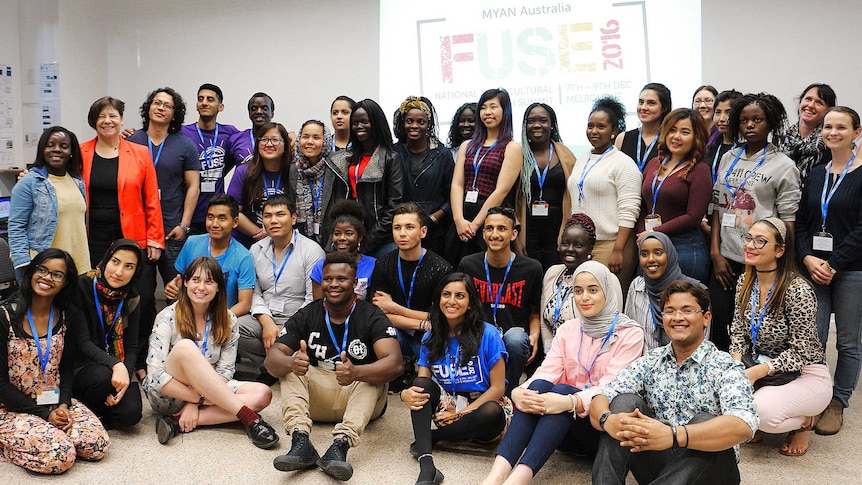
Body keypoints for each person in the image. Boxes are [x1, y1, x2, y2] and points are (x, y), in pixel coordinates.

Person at [483, 261, 643, 485]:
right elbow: (547, 370)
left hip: (599, 429)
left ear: (608, 291)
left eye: (593, 290)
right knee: (537, 388)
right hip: (559, 428)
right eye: (578, 291)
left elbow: (612, 387)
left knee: (562, 390)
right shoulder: (569, 328)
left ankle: (518, 480)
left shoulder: (630, 333)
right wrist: (519, 392)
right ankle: (495, 477)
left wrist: (569, 401)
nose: (584, 297)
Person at [590, 281, 758, 485]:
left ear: (706, 318)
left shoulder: (725, 366)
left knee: (705, 420)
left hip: (712, 474)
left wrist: (674, 436)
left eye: (687, 311)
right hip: (661, 465)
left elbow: (744, 424)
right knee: (622, 403)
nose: (677, 318)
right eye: (670, 311)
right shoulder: (651, 361)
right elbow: (601, 397)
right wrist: (608, 420)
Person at [266, 252, 402, 481]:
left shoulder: (371, 315)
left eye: (341, 279)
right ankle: (301, 442)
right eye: (328, 279)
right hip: (318, 396)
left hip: (358, 396)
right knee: (291, 370)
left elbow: (395, 363)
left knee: (373, 375)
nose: (334, 284)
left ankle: (340, 446)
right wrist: (291, 362)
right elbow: (272, 360)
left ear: (355, 283)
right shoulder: (308, 313)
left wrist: (357, 371)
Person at [142, 256, 279, 448]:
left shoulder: (228, 319)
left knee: (262, 393)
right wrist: (196, 398)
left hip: (209, 392)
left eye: (209, 281)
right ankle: (248, 417)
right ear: (186, 283)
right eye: (195, 280)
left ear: (218, 288)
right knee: (186, 347)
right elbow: (155, 377)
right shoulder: (167, 316)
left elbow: (225, 372)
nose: (201, 287)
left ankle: (176, 422)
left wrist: (195, 404)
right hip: (170, 394)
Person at [0, 249, 109, 474]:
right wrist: (44, 416)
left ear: (65, 282)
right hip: (9, 407)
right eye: (42, 270)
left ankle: (46, 434)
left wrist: (63, 405)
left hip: (51, 400)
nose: (47, 277)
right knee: (61, 456)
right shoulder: (4, 316)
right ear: (32, 272)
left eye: (57, 275)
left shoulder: (68, 314)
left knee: (96, 445)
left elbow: (65, 367)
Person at [730, 218, 831, 456]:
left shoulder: (798, 290)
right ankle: (760, 417)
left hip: (805, 373)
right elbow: (737, 331)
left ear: (779, 250)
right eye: (749, 238)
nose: (750, 245)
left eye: (760, 241)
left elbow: (800, 353)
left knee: (760, 413)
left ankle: (806, 421)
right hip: (759, 366)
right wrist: (735, 367)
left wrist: (754, 374)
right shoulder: (745, 281)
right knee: (718, 396)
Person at [709, 92, 801, 351]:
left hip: (761, 261)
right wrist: (715, 252)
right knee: (720, 322)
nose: (749, 125)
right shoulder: (729, 157)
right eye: (744, 120)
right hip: (725, 259)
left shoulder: (783, 166)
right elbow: (718, 206)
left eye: (757, 120)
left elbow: (788, 222)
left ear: (770, 123)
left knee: (755, 326)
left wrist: (783, 264)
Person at [403, 273, 510, 485]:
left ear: (470, 303)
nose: (452, 301)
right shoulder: (430, 336)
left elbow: (497, 388)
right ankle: (427, 466)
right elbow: (422, 382)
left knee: (492, 412)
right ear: (438, 300)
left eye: (460, 295)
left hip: (483, 406)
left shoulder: (488, 334)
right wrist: (407, 394)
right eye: (446, 295)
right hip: (449, 404)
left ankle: (436, 437)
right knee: (420, 386)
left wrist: (465, 412)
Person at [127, 87, 201, 384]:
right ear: (148, 108)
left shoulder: (184, 145)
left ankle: (181, 358)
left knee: (180, 296)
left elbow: (193, 187)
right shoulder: (132, 140)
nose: (160, 108)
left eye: (167, 105)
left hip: (173, 231)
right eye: (156, 103)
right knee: (142, 300)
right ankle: (142, 358)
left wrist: (184, 225)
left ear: (175, 113)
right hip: (139, 234)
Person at [796, 106, 862, 436]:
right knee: (814, 338)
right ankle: (815, 397)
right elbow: (804, 222)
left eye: (841, 127)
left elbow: (861, 230)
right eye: (828, 127)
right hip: (815, 268)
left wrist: (834, 264)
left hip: (852, 271)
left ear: (856, 133)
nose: (832, 132)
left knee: (848, 343)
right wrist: (807, 257)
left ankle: (838, 401)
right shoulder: (818, 174)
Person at [457, 207, 543, 395]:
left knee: (516, 339)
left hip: (513, 337)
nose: (495, 234)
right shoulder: (468, 264)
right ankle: (479, 390)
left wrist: (535, 335)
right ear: (483, 233)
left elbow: (534, 311)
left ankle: (507, 394)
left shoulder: (532, 268)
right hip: (479, 335)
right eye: (489, 228)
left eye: (501, 229)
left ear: (513, 234)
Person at [239, 194, 323, 382]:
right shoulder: (256, 250)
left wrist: (289, 327)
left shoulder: (312, 251)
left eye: (280, 214)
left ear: (293, 218)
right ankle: (273, 367)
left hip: (300, 320)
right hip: (266, 317)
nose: (273, 221)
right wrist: (266, 322)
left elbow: (313, 300)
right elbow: (254, 291)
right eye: (268, 216)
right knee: (232, 327)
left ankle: (279, 367)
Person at [370, 202, 453, 390]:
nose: (402, 233)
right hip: (401, 331)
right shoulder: (383, 265)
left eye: (409, 227)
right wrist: (420, 323)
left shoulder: (440, 268)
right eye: (397, 227)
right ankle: (401, 367)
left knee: (440, 387)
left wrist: (396, 309)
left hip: (431, 335)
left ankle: (422, 369)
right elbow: (378, 314)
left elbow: (443, 318)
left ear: (423, 232)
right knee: (380, 329)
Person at [80, 96, 164, 269]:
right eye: (101, 116)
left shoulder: (140, 153)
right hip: (91, 236)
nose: (107, 121)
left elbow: (152, 199)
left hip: (130, 235)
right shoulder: (81, 152)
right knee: (93, 288)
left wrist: (155, 239)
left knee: (134, 291)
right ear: (94, 121)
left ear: (122, 119)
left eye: (113, 116)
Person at [568, 96, 641, 292]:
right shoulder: (582, 159)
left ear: (614, 131)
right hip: (582, 245)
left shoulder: (623, 163)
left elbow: (629, 210)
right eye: (590, 126)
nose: (593, 131)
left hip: (611, 244)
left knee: (609, 299)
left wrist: (618, 250)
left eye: (601, 126)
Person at [72, 239, 144, 429]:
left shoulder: (132, 296)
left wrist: (124, 378)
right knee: (102, 378)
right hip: (80, 366)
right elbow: (82, 343)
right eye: (115, 262)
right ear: (106, 260)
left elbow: (131, 346)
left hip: (113, 366)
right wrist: (115, 366)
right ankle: (86, 408)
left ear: (136, 272)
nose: (119, 272)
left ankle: (94, 413)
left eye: (129, 266)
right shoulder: (81, 286)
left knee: (131, 414)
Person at [636, 108, 712, 284]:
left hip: (684, 247)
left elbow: (693, 217)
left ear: (696, 137)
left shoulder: (700, 170)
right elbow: (643, 205)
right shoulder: (654, 163)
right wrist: (644, 235)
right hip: (650, 246)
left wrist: (653, 232)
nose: (676, 136)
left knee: (682, 306)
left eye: (685, 132)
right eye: (672, 130)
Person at [450, 88, 522, 263]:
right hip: (462, 214)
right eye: (483, 108)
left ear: (505, 112)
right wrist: (459, 219)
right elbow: (457, 184)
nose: (487, 112)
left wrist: (475, 225)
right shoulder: (467, 145)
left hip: (490, 218)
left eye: (493, 107)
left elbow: (501, 191)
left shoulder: (511, 147)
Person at [9, 126, 89, 280]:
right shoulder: (29, 183)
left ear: (71, 152)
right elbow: (16, 227)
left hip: (78, 267)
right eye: (50, 145)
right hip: (45, 269)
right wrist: (25, 265)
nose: (57, 150)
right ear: (42, 149)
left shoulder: (77, 182)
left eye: (63, 146)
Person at [328, 98, 405, 258]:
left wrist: (368, 242)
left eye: (365, 122)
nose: (359, 126)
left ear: (376, 123)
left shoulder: (390, 158)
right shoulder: (345, 158)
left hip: (381, 239)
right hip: (350, 236)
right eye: (355, 123)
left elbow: (394, 206)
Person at [164, 194, 255, 323]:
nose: (215, 224)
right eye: (210, 217)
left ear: (235, 222)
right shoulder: (192, 243)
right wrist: (173, 288)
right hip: (188, 316)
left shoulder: (244, 257)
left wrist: (215, 321)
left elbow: (245, 304)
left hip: (222, 319)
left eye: (222, 218)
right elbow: (181, 282)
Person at [516, 103, 577, 270]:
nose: (537, 125)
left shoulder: (566, 155)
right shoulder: (517, 156)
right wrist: (515, 240)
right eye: (531, 121)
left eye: (543, 120)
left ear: (552, 125)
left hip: (558, 228)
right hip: (527, 231)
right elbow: (509, 201)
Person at [393, 96, 455, 257]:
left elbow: (453, 194)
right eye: (409, 121)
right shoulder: (394, 152)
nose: (414, 126)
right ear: (402, 123)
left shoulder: (442, 154)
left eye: (420, 122)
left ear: (428, 125)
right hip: (402, 229)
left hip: (435, 230)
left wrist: (433, 219)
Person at [626, 232, 705, 350]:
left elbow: (703, 343)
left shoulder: (694, 290)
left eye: (658, 253)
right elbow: (629, 334)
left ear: (670, 254)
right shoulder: (637, 287)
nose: (651, 259)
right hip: (645, 365)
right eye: (644, 254)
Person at [180, 83, 240, 235]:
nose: (204, 102)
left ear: (221, 106)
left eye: (210, 99)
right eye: (201, 99)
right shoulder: (183, 132)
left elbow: (252, 141)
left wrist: (289, 135)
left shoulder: (229, 132)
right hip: (189, 213)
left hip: (217, 214)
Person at [227, 122, 292, 248]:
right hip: (246, 243)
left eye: (275, 140)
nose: (268, 144)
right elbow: (232, 211)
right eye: (264, 140)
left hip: (283, 244)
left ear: (285, 146)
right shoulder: (243, 171)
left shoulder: (293, 172)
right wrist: (262, 234)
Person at [538, 213, 596, 352]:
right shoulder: (552, 273)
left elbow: (611, 325)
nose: (570, 249)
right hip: (554, 355)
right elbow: (543, 322)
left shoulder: (602, 278)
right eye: (565, 243)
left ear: (590, 249)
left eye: (578, 245)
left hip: (588, 355)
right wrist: (550, 354)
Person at [312, 200, 376, 300]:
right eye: (337, 233)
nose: (342, 238)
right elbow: (317, 306)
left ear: (359, 237)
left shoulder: (373, 265)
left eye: (349, 233)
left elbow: (375, 305)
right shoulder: (321, 266)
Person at [783, 83, 836, 184]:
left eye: (819, 103)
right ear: (800, 102)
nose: (811, 105)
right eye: (808, 99)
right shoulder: (782, 139)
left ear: (828, 111)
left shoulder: (831, 145)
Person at [291, 119, 333, 247]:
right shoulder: (293, 169)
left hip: (331, 239)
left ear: (325, 141)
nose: (310, 142)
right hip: (301, 241)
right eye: (305, 137)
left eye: (316, 137)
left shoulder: (335, 168)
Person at [615, 83, 671, 172]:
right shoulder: (623, 138)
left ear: (664, 108)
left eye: (651, 103)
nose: (643, 107)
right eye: (641, 102)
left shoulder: (670, 139)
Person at [705, 90, 743, 186]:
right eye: (717, 112)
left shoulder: (747, 150)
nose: (722, 119)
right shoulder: (710, 149)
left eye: (728, 113)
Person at [229, 92, 275, 165]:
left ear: (272, 113)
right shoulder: (236, 140)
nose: (259, 111)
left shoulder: (281, 140)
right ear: (249, 113)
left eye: (264, 108)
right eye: (254, 109)